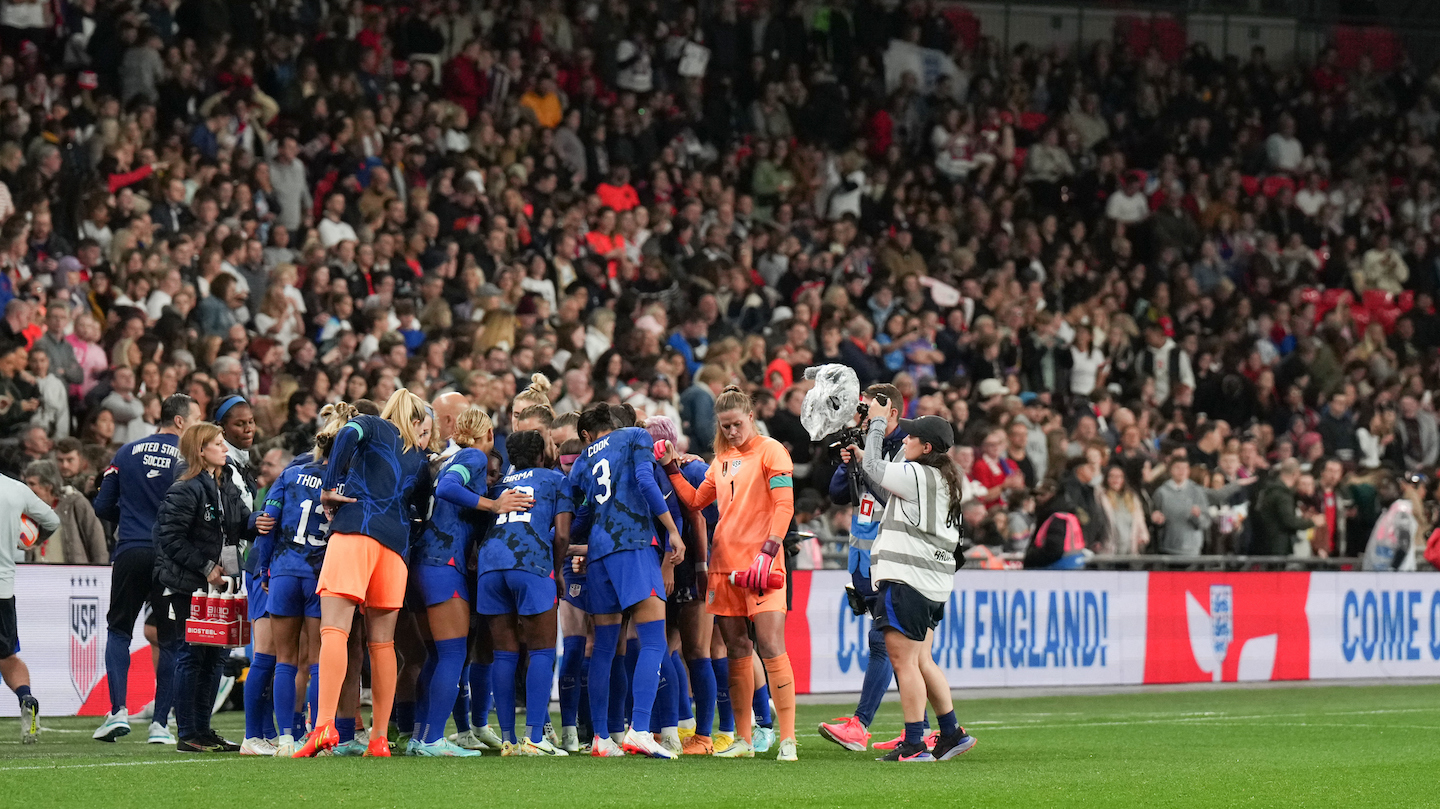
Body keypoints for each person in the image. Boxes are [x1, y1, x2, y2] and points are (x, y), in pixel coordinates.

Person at [293, 389, 434, 757]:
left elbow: (345, 436)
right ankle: (379, 738)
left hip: (355, 531)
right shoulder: (420, 460)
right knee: (383, 644)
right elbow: (422, 510)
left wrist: (329, 487)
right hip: (395, 550)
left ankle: (323, 726)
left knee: (334, 631)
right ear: (417, 422)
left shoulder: (371, 425)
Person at [663, 385, 798, 761]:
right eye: (725, 426)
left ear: (751, 417)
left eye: (737, 424)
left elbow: (784, 505)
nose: (732, 432)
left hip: (763, 565)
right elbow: (694, 502)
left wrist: (770, 550)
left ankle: (787, 739)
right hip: (725, 567)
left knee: (770, 647)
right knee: (737, 650)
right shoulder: (720, 460)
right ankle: (743, 739)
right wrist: (673, 468)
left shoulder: (772, 451)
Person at [857, 410, 976, 762]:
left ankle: (913, 743)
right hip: (933, 581)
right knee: (922, 659)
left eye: (911, 438)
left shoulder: (916, 473)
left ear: (926, 447)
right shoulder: (941, 477)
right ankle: (952, 732)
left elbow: (878, 471)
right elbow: (882, 477)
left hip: (908, 579)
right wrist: (865, 455)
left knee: (903, 660)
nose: (904, 441)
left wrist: (877, 425)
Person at [568, 402, 684, 759]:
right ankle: (640, 729)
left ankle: (602, 738)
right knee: (652, 640)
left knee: (604, 647)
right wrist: (671, 531)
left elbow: (582, 514)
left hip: (598, 555)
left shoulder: (581, 462)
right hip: (633, 544)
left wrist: (572, 547)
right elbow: (645, 480)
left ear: (587, 434)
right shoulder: (635, 436)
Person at [413, 408, 529, 756]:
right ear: (488, 434)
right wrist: (493, 504)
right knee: (452, 653)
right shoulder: (473, 456)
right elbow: (450, 488)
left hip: (422, 562)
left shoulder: (444, 459)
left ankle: (421, 735)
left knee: (434, 655)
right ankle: (433, 739)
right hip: (444, 562)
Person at [91, 393, 201, 745]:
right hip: (169, 557)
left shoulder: (125, 452)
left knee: (120, 631)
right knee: (171, 641)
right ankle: (160, 725)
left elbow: (103, 504)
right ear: (181, 421)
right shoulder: (188, 457)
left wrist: (131, 520)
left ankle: (117, 712)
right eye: (196, 419)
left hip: (130, 551)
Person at [153, 421, 254, 753]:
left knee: (216, 657)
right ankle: (188, 732)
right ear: (200, 451)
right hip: (190, 587)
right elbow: (169, 538)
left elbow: (241, 522)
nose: (225, 448)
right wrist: (206, 566)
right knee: (193, 654)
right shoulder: (185, 488)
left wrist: (262, 522)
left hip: (218, 587)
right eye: (218, 443)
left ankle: (203, 730)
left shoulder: (224, 485)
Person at [254, 404, 346, 757]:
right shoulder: (347, 482)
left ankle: (286, 738)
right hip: (321, 576)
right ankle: (316, 735)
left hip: (284, 572)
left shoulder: (290, 474)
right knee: (318, 660)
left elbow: (267, 523)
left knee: (285, 660)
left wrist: (265, 571)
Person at [475, 429, 571, 756]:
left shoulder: (499, 486)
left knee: (504, 653)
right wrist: (557, 570)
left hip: (490, 566)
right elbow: (561, 536)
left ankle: (507, 740)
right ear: (542, 454)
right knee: (542, 651)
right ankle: (535, 737)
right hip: (530, 562)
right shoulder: (556, 480)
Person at [819, 383, 904, 752]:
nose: (864, 418)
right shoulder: (871, 445)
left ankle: (861, 723)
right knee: (905, 650)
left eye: (870, 412)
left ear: (892, 413)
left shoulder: (907, 449)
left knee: (884, 643)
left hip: (892, 561)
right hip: (865, 559)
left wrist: (867, 462)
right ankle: (931, 726)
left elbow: (894, 495)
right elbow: (839, 494)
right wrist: (848, 464)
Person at [0, 469, 59, 743]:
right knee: (8, 656)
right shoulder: (15, 489)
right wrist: (32, 540)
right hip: (3, 588)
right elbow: (52, 520)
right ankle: (26, 697)